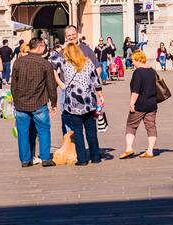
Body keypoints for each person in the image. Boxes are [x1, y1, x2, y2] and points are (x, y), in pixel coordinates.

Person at [56, 39, 108, 165]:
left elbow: (51, 57)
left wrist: (61, 48)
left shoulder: (64, 63)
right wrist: (100, 95)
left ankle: (82, 159)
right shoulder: (88, 62)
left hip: (73, 104)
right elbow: (96, 80)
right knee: (91, 131)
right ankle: (95, 157)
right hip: (89, 102)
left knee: (78, 132)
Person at [11, 37, 58, 167]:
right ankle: (45, 158)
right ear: (40, 47)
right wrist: (53, 103)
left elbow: (13, 85)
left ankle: (25, 160)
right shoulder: (45, 64)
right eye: (43, 46)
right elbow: (51, 86)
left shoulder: (18, 62)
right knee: (43, 130)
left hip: (21, 104)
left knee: (23, 132)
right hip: (39, 103)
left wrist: (16, 100)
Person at [121, 50, 160, 159]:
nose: (132, 63)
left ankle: (129, 149)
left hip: (140, 104)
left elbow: (135, 91)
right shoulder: (152, 71)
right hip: (152, 104)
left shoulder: (138, 72)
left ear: (138, 60)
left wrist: (131, 103)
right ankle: (150, 150)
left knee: (131, 125)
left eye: (133, 60)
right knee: (151, 126)